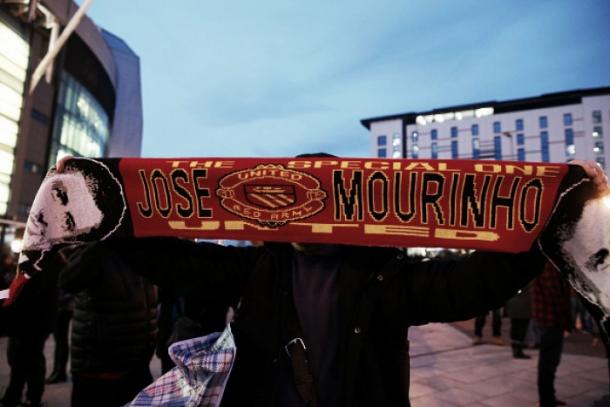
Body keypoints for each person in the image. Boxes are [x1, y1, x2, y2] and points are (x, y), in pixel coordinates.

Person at [56, 156, 608, 406]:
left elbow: (468, 285)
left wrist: (545, 225)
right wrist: (97, 203)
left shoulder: (383, 277)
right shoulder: (255, 269)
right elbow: (173, 261)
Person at [59, 243, 158, 407]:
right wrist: (101, 242)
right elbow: (67, 281)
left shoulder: (144, 251)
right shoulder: (96, 251)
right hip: (100, 366)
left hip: (138, 364)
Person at [532, 261, 573, 407]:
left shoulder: (546, 263)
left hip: (548, 319)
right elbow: (556, 295)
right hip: (551, 320)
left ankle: (548, 397)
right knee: (548, 365)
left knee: (549, 364)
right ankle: (546, 401)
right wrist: (567, 321)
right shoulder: (550, 264)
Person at [45, 288, 74, 384]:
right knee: (60, 342)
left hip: (62, 307)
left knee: (61, 342)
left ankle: (59, 372)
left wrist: (57, 301)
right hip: (62, 306)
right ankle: (58, 372)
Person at [504, 282, 532, 358]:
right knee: (521, 329)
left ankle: (515, 348)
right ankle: (518, 350)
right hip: (523, 307)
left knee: (515, 327)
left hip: (513, 305)